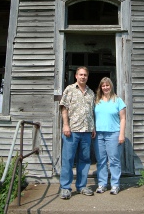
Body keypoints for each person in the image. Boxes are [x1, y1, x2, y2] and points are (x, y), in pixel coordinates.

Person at [59, 66, 96, 199]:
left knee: (85, 160)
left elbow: (92, 112)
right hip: (72, 130)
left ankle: (81, 186)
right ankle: (65, 188)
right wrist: (65, 125)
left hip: (86, 131)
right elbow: (64, 108)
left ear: (87, 77)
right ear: (76, 76)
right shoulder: (69, 89)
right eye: (80, 74)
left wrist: (93, 128)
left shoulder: (91, 93)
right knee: (68, 159)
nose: (83, 77)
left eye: (85, 75)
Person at [94, 77, 126, 195]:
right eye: (103, 86)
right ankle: (102, 184)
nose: (105, 87)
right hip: (99, 134)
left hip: (113, 133)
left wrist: (121, 134)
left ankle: (115, 185)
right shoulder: (97, 101)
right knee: (101, 160)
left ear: (111, 86)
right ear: (101, 87)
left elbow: (123, 118)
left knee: (114, 160)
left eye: (107, 85)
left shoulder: (118, 100)